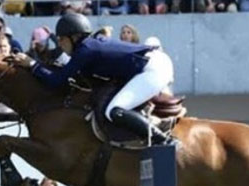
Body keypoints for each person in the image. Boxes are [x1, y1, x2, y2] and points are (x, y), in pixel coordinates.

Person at [12, 13, 177, 146]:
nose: (60, 44)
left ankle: (164, 141)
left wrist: (31, 64)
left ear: (75, 37)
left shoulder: (86, 50)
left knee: (114, 110)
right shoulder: (87, 46)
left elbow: (57, 81)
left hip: (154, 69)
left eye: (62, 39)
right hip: (151, 64)